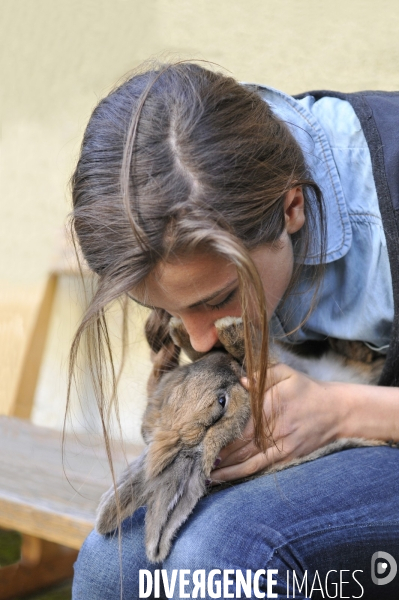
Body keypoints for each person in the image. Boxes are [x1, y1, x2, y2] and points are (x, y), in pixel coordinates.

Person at [70, 62, 399, 599]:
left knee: (224, 553)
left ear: (293, 207)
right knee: (114, 560)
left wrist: (339, 411)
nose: (199, 340)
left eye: (219, 298)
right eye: (173, 310)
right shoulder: (208, 191)